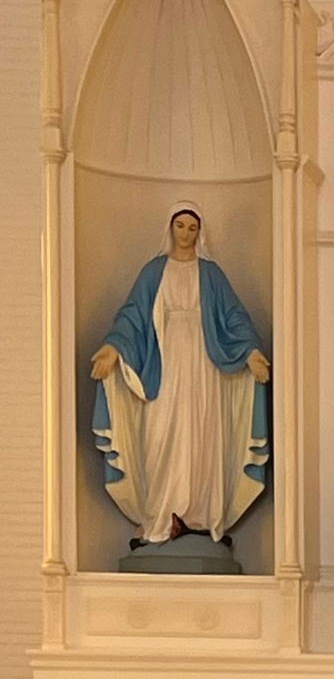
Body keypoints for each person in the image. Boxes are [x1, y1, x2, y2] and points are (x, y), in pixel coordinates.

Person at [91, 208, 270, 545]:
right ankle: (161, 516)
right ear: (170, 228)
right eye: (180, 226)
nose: (185, 233)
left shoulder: (211, 274)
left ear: (200, 232)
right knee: (160, 436)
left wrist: (251, 352)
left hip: (204, 366)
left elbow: (234, 316)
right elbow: (132, 315)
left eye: (192, 227)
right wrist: (113, 348)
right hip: (164, 363)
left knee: (202, 434)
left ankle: (199, 517)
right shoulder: (154, 271)